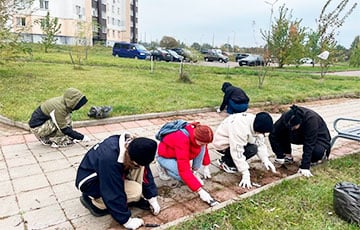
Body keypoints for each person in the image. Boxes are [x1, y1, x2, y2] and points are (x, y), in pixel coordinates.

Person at [75, 133, 160, 230]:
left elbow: (145, 169)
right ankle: (96, 203)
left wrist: (152, 197)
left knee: (140, 167)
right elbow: (113, 191)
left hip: (104, 173)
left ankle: (130, 199)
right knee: (135, 191)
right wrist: (126, 221)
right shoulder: (109, 159)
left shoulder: (133, 146)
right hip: (91, 183)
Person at [156, 121, 219, 206]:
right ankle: (162, 167)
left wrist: (206, 166)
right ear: (195, 138)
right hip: (165, 156)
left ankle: (194, 172)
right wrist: (200, 191)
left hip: (178, 152)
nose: (203, 145)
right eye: (201, 143)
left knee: (201, 148)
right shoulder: (182, 139)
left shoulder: (199, 134)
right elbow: (184, 170)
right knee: (180, 176)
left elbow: (204, 149)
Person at [212, 112, 276, 189]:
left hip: (234, 140)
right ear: (257, 129)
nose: (263, 135)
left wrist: (265, 159)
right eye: (262, 133)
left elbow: (260, 143)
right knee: (251, 149)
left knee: (253, 147)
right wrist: (245, 173)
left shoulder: (257, 122)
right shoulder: (240, 128)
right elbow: (237, 151)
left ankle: (231, 161)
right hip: (222, 144)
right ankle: (225, 162)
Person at [269, 105, 331, 177]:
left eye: (294, 127)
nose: (291, 129)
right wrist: (279, 155)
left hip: (318, 137)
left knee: (316, 153)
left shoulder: (311, 120)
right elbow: (273, 134)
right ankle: (287, 156)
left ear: (300, 122)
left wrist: (305, 166)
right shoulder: (285, 117)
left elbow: (309, 144)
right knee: (281, 132)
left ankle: (320, 156)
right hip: (299, 135)